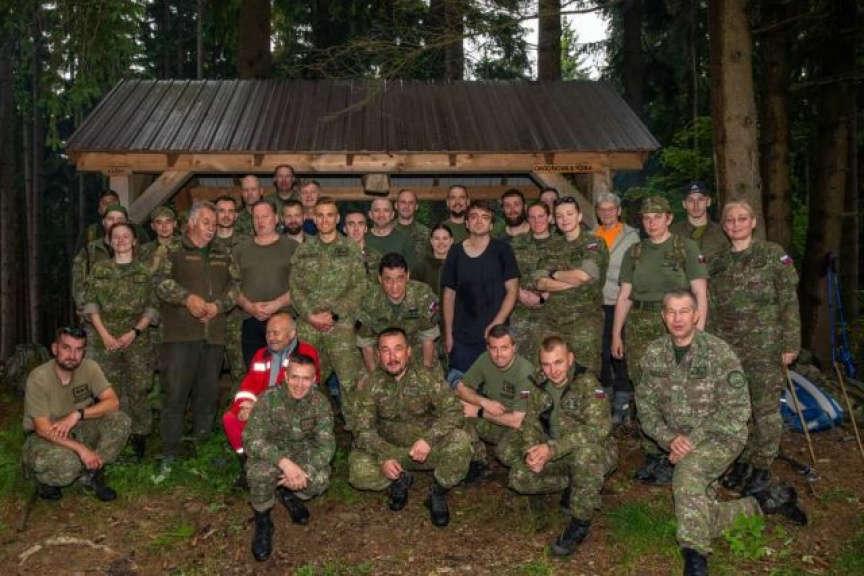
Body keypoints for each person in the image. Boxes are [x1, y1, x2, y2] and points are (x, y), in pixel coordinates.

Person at [636, 289, 806, 576]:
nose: (678, 318)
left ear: (696, 315)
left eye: (684, 311)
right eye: (671, 312)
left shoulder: (719, 353)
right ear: (663, 317)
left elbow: (736, 411)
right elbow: (645, 408)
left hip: (722, 437)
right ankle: (764, 502)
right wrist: (669, 439)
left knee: (686, 474)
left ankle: (695, 556)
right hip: (678, 440)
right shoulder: (654, 354)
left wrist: (689, 442)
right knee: (696, 508)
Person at [611, 196, 709, 485]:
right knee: (644, 387)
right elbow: (624, 295)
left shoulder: (685, 247)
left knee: (675, 387)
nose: (651, 222)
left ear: (669, 218)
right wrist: (616, 333)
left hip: (676, 324)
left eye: (657, 217)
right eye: (646, 218)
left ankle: (676, 452)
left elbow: (700, 293)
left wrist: (698, 333)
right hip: (640, 324)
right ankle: (653, 451)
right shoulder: (635, 252)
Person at [710, 200, 801, 496]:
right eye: (730, 220)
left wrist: (791, 343)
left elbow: (789, 301)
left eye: (742, 218)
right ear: (724, 226)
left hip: (766, 348)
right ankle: (744, 458)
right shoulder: (718, 262)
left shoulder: (772, 254)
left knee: (765, 409)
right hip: (730, 350)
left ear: (752, 222)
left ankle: (762, 464)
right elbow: (712, 308)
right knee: (738, 408)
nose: (735, 224)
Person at [349, 328, 472, 527]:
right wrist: (383, 455)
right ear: (378, 355)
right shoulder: (371, 384)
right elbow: (362, 429)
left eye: (398, 349)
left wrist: (429, 440)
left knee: (461, 441)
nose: (392, 357)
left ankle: (438, 491)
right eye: (386, 350)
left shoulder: (426, 377)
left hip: (424, 451)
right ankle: (399, 479)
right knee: (358, 472)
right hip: (391, 450)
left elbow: (454, 411)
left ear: (408, 352)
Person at [508, 336, 617, 557]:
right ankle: (576, 484)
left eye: (558, 362)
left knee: (584, 458)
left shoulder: (589, 385)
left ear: (570, 359)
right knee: (519, 477)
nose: (553, 370)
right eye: (546, 364)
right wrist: (531, 452)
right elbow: (530, 424)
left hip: (594, 451)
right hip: (556, 452)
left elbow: (598, 429)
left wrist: (552, 450)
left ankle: (580, 523)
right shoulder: (538, 384)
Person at [153, 200, 240, 476]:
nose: (211, 228)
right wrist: (186, 298)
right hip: (180, 336)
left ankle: (202, 450)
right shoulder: (172, 250)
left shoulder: (223, 253)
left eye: (214, 223)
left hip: (213, 337)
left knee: (208, 395)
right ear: (191, 223)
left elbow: (236, 286)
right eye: (206, 222)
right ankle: (169, 452)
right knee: (175, 395)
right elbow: (159, 282)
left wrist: (219, 306)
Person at [22, 327, 131, 501]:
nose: (72, 355)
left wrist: (78, 414)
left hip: (78, 426)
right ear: (55, 348)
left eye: (78, 349)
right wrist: (81, 449)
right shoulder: (39, 377)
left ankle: (92, 473)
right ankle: (45, 479)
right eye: (66, 348)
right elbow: (42, 428)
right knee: (68, 464)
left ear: (83, 352)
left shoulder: (90, 367)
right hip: (46, 434)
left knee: (120, 420)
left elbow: (113, 403)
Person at [244, 354, 334, 562]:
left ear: (314, 380)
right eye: (295, 377)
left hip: (303, 456)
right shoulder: (268, 399)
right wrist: (284, 463)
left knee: (319, 480)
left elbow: (327, 445)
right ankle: (263, 519)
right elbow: (252, 439)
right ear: (285, 376)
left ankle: (288, 494)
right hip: (272, 457)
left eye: (306, 379)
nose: (300, 385)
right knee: (259, 473)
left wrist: (306, 470)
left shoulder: (320, 403)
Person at [289, 197, 367, 427]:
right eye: (320, 215)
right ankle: (310, 429)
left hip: (341, 326)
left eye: (329, 215)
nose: (324, 220)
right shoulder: (304, 250)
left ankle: (357, 433)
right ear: (314, 218)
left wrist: (334, 315)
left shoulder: (350, 248)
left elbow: (359, 286)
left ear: (337, 218)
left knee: (349, 381)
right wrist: (310, 316)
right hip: (309, 327)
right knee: (307, 380)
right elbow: (295, 288)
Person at [84, 222, 158, 460]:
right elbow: (91, 304)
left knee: (138, 389)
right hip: (105, 339)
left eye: (126, 236)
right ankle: (111, 437)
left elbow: (152, 307)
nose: (121, 240)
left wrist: (133, 332)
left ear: (134, 241)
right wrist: (105, 335)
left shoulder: (145, 272)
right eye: (116, 236)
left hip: (137, 339)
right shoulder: (99, 270)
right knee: (108, 391)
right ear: (109, 241)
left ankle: (140, 436)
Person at [223, 313, 321, 477]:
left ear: (292, 334)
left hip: (293, 411)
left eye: (276, 333)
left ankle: (286, 467)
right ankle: (247, 462)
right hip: (262, 410)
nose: (271, 337)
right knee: (230, 419)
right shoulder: (261, 354)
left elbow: (298, 392)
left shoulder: (305, 353)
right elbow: (249, 385)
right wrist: (244, 405)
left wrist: (258, 409)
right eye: (268, 333)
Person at [442, 200, 519, 379]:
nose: (479, 221)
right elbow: (449, 295)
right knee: (461, 385)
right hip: (462, 336)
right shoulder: (455, 252)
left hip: (495, 336)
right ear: (467, 223)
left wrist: (496, 323)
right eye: (474, 217)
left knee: (495, 386)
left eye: (485, 217)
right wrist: (449, 333)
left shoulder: (503, 251)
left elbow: (513, 290)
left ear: (491, 224)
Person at [533, 196, 608, 377]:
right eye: (559, 216)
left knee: (585, 377)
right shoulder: (551, 247)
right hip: (552, 321)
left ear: (579, 216)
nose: (564, 219)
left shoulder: (593, 243)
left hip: (584, 321)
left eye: (569, 214)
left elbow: (583, 276)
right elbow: (540, 283)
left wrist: (553, 273)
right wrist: (572, 281)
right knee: (546, 374)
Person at [455, 324, 534, 482]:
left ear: (514, 348)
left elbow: (517, 421)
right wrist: (483, 401)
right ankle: (478, 461)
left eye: (504, 348)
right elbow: (461, 388)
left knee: (505, 453)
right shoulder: (485, 359)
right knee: (457, 407)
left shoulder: (525, 372)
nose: (498, 354)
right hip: (494, 416)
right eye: (494, 348)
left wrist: (479, 412)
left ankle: (531, 467)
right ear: (488, 348)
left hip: (519, 426)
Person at [592, 192, 640, 424]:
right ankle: (605, 394)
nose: (607, 213)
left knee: (619, 350)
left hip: (621, 300)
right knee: (599, 352)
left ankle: (623, 396)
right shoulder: (591, 236)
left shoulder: (632, 236)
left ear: (619, 211)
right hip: (595, 301)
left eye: (611, 209)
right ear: (597, 212)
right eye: (602, 209)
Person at [233, 200, 297, 366]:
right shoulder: (240, 250)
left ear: (276, 218)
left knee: (285, 371)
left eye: (265, 216)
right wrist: (248, 306)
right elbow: (231, 286)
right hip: (251, 320)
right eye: (256, 217)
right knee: (256, 369)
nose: (260, 221)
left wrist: (277, 303)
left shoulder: (292, 247)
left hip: (283, 319)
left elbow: (301, 285)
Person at [357, 253, 440, 372]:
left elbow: (428, 337)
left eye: (400, 279)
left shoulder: (423, 295)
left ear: (407, 276)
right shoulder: (369, 300)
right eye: (388, 280)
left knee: (432, 381)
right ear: (380, 279)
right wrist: (374, 375)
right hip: (382, 354)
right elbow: (366, 344)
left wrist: (426, 371)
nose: (394, 286)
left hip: (416, 349)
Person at [211, 195, 248, 395]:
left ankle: (238, 407)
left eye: (230, 211)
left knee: (239, 367)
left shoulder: (246, 242)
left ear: (236, 215)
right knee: (208, 368)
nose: (226, 215)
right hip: (210, 314)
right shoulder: (206, 241)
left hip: (238, 314)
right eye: (221, 211)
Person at [509, 201, 554, 357]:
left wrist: (543, 298)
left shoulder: (561, 245)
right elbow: (506, 272)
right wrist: (518, 293)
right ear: (527, 220)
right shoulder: (517, 243)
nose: (537, 221)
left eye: (541, 216)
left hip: (549, 313)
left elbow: (567, 277)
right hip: (519, 312)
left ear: (549, 218)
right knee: (518, 357)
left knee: (547, 356)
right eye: (532, 217)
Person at [72, 204, 130, 322]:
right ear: (103, 222)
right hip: (95, 318)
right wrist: (84, 307)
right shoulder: (89, 250)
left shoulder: (138, 251)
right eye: (111, 219)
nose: (115, 222)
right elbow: (78, 281)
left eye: (120, 219)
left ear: (127, 223)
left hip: (129, 319)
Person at [670, 182, 729, 268]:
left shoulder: (722, 232)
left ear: (708, 202)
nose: (696, 205)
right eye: (690, 200)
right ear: (684, 204)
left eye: (700, 199)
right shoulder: (672, 232)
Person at [81, 190, 149, 248]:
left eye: (113, 202)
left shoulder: (137, 231)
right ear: (99, 210)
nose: (109, 205)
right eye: (105, 203)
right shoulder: (90, 233)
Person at [364, 197, 417, 271]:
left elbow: (411, 272)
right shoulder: (362, 240)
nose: (381, 214)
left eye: (386, 210)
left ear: (392, 215)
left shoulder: (405, 240)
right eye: (377, 210)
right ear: (370, 215)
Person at [413, 223, 454, 299]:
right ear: (431, 241)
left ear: (451, 240)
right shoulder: (420, 268)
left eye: (445, 238)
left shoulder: (459, 266)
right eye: (437, 238)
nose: (441, 242)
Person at [344, 209, 382, 281]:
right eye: (351, 224)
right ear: (345, 229)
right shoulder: (333, 256)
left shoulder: (376, 258)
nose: (356, 228)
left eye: (360, 224)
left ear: (366, 229)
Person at [395, 188, 430, 261]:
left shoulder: (427, 233)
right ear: (396, 205)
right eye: (403, 202)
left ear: (416, 206)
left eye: (411, 203)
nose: (406, 206)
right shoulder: (386, 231)